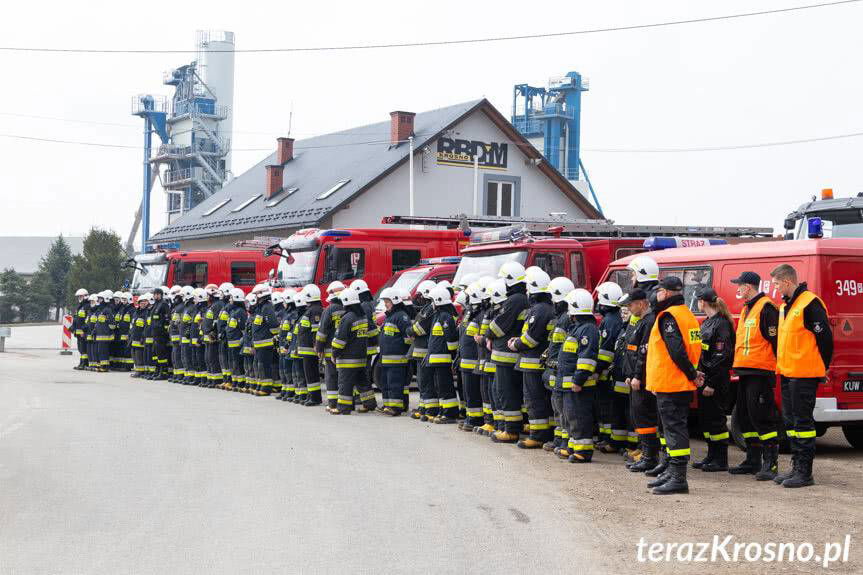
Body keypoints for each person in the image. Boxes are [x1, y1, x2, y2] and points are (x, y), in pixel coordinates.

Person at [771, 264, 833, 488]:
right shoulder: (786, 306)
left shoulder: (810, 303)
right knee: (791, 422)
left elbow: (825, 340)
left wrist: (822, 367)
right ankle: (796, 466)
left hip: (804, 374)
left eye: (777, 284)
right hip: (788, 373)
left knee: (803, 422)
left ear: (787, 281)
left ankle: (805, 472)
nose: (776, 288)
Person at [645, 276, 703, 494]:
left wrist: (691, 374)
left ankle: (678, 478)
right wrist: (693, 374)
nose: (656, 295)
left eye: (659, 290)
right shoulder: (686, 314)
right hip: (677, 383)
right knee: (673, 429)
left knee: (674, 430)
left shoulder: (669, 316)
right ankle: (671, 471)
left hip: (672, 382)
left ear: (667, 293)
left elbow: (676, 351)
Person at [728, 271, 781, 480]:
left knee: (762, 417)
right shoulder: (747, 308)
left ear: (748, 287)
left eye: (739, 285)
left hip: (760, 371)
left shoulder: (766, 308)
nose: (737, 289)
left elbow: (776, 341)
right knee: (744, 415)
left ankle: (771, 463)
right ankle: (753, 459)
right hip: (745, 371)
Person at [510, 267, 555, 449]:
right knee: (543, 400)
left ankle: (537, 436)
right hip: (540, 362)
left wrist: (515, 344)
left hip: (532, 363)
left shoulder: (538, 310)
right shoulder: (547, 308)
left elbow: (531, 338)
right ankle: (547, 432)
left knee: (534, 400)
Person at [693, 287, 735, 472]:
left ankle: (721, 460)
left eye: (698, 300)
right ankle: (711, 456)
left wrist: (711, 383)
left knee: (717, 420)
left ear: (703, 302)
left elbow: (722, 356)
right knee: (706, 420)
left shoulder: (722, 324)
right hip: (704, 379)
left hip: (715, 382)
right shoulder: (708, 322)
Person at [488, 262, 530, 444]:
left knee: (506, 393)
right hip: (508, 355)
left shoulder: (515, 300)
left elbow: (498, 326)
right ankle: (511, 427)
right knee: (507, 392)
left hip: (506, 356)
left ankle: (511, 431)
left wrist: (487, 333)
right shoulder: (520, 298)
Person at [557, 288, 600, 462]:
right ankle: (574, 446)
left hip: (579, 385)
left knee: (580, 417)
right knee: (571, 417)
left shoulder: (588, 329)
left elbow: (586, 358)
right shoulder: (579, 328)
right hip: (571, 383)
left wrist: (578, 379)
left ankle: (583, 451)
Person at [542, 276, 575, 454]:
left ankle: (563, 441)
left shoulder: (565, 319)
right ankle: (559, 439)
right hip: (554, 368)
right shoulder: (562, 318)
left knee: (562, 409)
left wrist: (553, 362)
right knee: (557, 408)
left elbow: (564, 348)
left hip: (559, 369)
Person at [594, 282, 626, 453]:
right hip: (613, 371)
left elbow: (605, 351)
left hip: (607, 373)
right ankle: (609, 438)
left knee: (608, 407)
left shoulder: (609, 321)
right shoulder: (617, 318)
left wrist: (597, 370)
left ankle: (610, 440)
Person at [424, 285, 460, 424]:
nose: (431, 304)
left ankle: (450, 414)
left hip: (443, 359)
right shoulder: (438, 315)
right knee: (440, 386)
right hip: (436, 359)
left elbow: (450, 339)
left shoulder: (445, 317)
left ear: (438, 300)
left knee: (445, 386)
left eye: (432, 301)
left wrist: (451, 357)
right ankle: (444, 410)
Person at [331, 287, 371, 414]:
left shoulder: (347, 318)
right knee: (362, 382)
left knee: (345, 384)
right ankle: (369, 404)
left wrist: (334, 353)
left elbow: (340, 340)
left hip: (348, 358)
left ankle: (343, 407)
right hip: (361, 357)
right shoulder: (362, 316)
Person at [379, 288, 412, 416]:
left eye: (387, 301)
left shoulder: (401, 316)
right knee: (386, 383)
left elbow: (409, 338)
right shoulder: (390, 317)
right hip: (387, 358)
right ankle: (388, 405)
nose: (385, 304)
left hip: (397, 359)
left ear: (395, 301)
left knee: (395, 384)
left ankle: (396, 407)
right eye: (385, 301)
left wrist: (400, 349)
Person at [456, 283, 483, 431]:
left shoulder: (480, 315)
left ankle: (475, 419)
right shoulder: (470, 314)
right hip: (465, 360)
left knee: (474, 392)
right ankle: (470, 417)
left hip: (473, 361)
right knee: (468, 392)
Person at [410, 280, 438, 420]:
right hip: (420, 351)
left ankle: (430, 410)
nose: (418, 298)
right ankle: (423, 407)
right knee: (422, 381)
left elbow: (420, 328)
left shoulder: (430, 309)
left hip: (424, 351)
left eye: (420, 295)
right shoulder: (427, 308)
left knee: (426, 381)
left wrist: (410, 329)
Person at [316, 281, 347, 410]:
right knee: (344, 376)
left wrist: (319, 348)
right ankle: (345, 401)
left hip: (330, 348)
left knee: (331, 376)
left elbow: (322, 331)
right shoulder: (349, 307)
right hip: (346, 348)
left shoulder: (329, 309)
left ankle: (332, 403)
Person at [352, 280, 380, 411]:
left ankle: (361, 396)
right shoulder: (369, 303)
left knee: (363, 372)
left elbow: (368, 325)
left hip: (366, 344)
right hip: (370, 343)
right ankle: (362, 396)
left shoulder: (364, 306)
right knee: (364, 371)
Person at [297, 284, 324, 406]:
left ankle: (315, 398)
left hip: (310, 349)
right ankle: (312, 395)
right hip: (306, 349)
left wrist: (315, 345)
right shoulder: (311, 309)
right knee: (309, 373)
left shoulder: (315, 310)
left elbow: (315, 329)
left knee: (311, 373)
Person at [251, 284, 280, 396]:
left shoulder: (267, 307)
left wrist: (273, 336)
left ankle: (266, 388)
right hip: (259, 343)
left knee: (264, 365)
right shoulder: (261, 308)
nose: (255, 297)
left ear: (261, 295)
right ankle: (262, 385)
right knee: (260, 365)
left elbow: (273, 324)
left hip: (265, 343)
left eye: (256, 295)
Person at [225, 288, 248, 392]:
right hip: (231, 343)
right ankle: (235, 381)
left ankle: (241, 382)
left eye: (231, 298)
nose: (230, 300)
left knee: (238, 363)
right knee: (233, 362)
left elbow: (243, 328)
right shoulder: (233, 311)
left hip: (237, 343)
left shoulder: (241, 312)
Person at [202, 284, 224, 388]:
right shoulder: (211, 306)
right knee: (208, 358)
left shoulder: (217, 305)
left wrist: (213, 333)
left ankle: (216, 380)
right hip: (207, 338)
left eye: (207, 295)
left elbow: (216, 322)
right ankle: (211, 379)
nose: (206, 297)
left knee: (213, 359)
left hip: (212, 338)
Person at [149, 287, 171, 380]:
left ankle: (163, 372)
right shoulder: (155, 305)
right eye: (155, 294)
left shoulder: (164, 304)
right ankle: (157, 370)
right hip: (155, 333)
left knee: (161, 353)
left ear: (161, 295)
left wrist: (164, 332)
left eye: (158, 294)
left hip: (161, 334)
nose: (156, 296)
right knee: (155, 353)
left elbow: (167, 319)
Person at [179, 286, 196, 384]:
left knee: (188, 357)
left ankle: (191, 376)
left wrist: (188, 332)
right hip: (183, 337)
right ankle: (187, 374)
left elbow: (192, 323)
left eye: (183, 295)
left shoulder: (191, 308)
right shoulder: (186, 308)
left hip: (187, 338)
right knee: (184, 357)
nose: (181, 298)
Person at [130, 294, 149, 377]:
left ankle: (140, 371)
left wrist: (143, 336)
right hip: (134, 337)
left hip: (141, 337)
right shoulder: (136, 313)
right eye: (141, 302)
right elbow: (132, 325)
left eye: (145, 302)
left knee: (139, 355)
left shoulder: (147, 313)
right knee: (134, 354)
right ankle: (137, 370)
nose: (143, 303)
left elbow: (146, 326)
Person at [242, 293, 257, 393]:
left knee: (252, 366)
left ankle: (253, 385)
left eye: (248, 304)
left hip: (251, 346)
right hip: (246, 345)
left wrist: (252, 345)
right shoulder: (250, 316)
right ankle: (248, 384)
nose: (247, 306)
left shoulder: (255, 316)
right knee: (247, 366)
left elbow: (254, 333)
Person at [72, 288, 90, 370]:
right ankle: (82, 362)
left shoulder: (87, 306)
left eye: (81, 296)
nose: (79, 298)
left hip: (83, 332)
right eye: (78, 297)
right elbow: (77, 319)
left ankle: (85, 363)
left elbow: (87, 320)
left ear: (85, 296)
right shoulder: (80, 307)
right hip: (79, 332)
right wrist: (73, 328)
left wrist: (84, 330)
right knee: (80, 349)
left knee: (84, 349)